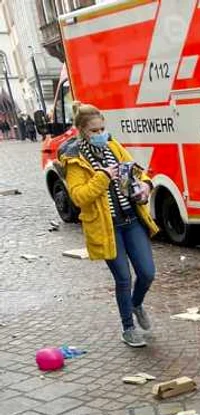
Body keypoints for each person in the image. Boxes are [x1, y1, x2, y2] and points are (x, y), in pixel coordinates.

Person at [60, 103, 159, 347]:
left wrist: (145, 186)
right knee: (123, 278)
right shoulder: (75, 160)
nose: (101, 134)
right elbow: (79, 196)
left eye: (103, 128)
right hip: (107, 227)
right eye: (95, 130)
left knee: (147, 273)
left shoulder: (113, 146)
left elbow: (137, 171)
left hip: (132, 219)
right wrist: (103, 176)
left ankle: (136, 304)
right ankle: (128, 327)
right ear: (82, 131)